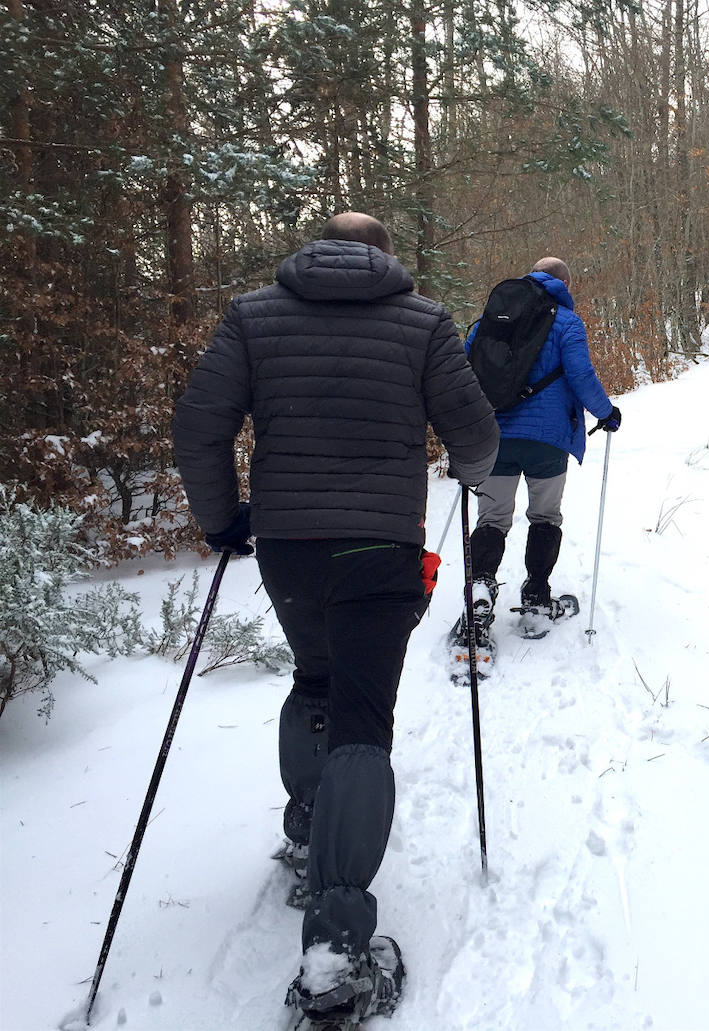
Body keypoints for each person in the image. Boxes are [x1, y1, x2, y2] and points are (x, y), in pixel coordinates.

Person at [172, 212, 498, 1025]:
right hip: (381, 545)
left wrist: (222, 519)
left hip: (288, 543)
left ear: (315, 248)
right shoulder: (423, 321)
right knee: (361, 715)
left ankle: (309, 823)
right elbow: (477, 437)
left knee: (312, 676)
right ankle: (338, 954)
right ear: (382, 258)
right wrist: (464, 467)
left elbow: (199, 423)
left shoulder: (253, 315)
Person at [453, 256, 621, 649]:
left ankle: (479, 597)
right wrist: (607, 413)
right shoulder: (566, 322)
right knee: (544, 516)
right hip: (548, 440)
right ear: (563, 283)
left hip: (496, 436)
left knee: (492, 519)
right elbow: (581, 376)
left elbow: (463, 369)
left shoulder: (489, 320)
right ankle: (536, 601)